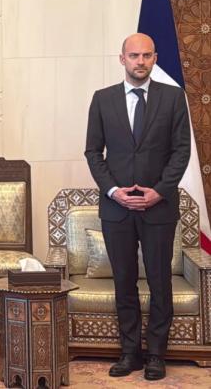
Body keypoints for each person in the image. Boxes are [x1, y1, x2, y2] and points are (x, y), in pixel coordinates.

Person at [85, 33, 191, 381]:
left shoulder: (173, 98)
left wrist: (159, 192)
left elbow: (181, 151)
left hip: (158, 208)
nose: (140, 61)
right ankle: (129, 352)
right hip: (116, 209)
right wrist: (113, 191)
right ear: (122, 59)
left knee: (160, 281)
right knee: (124, 281)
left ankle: (156, 354)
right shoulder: (102, 99)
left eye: (146, 55)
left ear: (155, 58)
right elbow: (93, 152)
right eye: (134, 56)